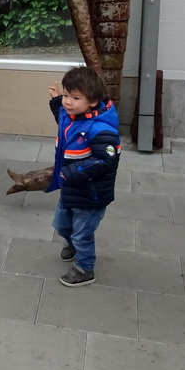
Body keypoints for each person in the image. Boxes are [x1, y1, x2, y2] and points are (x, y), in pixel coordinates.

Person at [45, 66, 121, 287]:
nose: (68, 102)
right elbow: (63, 122)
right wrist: (57, 101)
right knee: (62, 225)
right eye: (67, 95)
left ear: (93, 100)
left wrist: (69, 173)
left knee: (82, 234)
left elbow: (105, 160)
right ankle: (73, 245)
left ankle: (85, 269)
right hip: (71, 187)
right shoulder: (74, 115)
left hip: (91, 194)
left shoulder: (101, 129)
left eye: (75, 97)